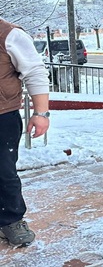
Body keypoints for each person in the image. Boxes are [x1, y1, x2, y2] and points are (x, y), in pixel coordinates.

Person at [0, 18, 50, 247]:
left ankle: (11, 220)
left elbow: (34, 72)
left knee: (4, 172)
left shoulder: (9, 34)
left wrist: (41, 113)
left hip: (2, 115)